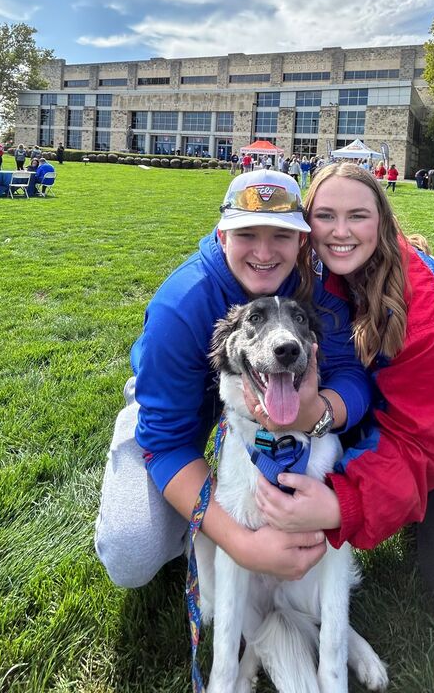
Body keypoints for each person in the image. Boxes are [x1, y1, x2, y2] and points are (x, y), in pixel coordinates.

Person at [256, 162, 434, 647]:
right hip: (371, 411)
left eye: (358, 215)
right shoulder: (313, 266)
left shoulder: (431, 307)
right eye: (325, 216)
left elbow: (424, 437)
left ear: (383, 219)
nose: (340, 232)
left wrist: (341, 504)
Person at [94, 169, 371, 590]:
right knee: (132, 554)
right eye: (246, 234)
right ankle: (143, 432)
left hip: (280, 400)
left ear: (301, 241)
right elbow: (168, 441)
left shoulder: (316, 288)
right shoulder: (181, 303)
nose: (263, 252)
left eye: (280, 235)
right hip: (178, 405)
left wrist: (317, 412)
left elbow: (352, 373)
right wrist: (239, 542)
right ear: (222, 235)